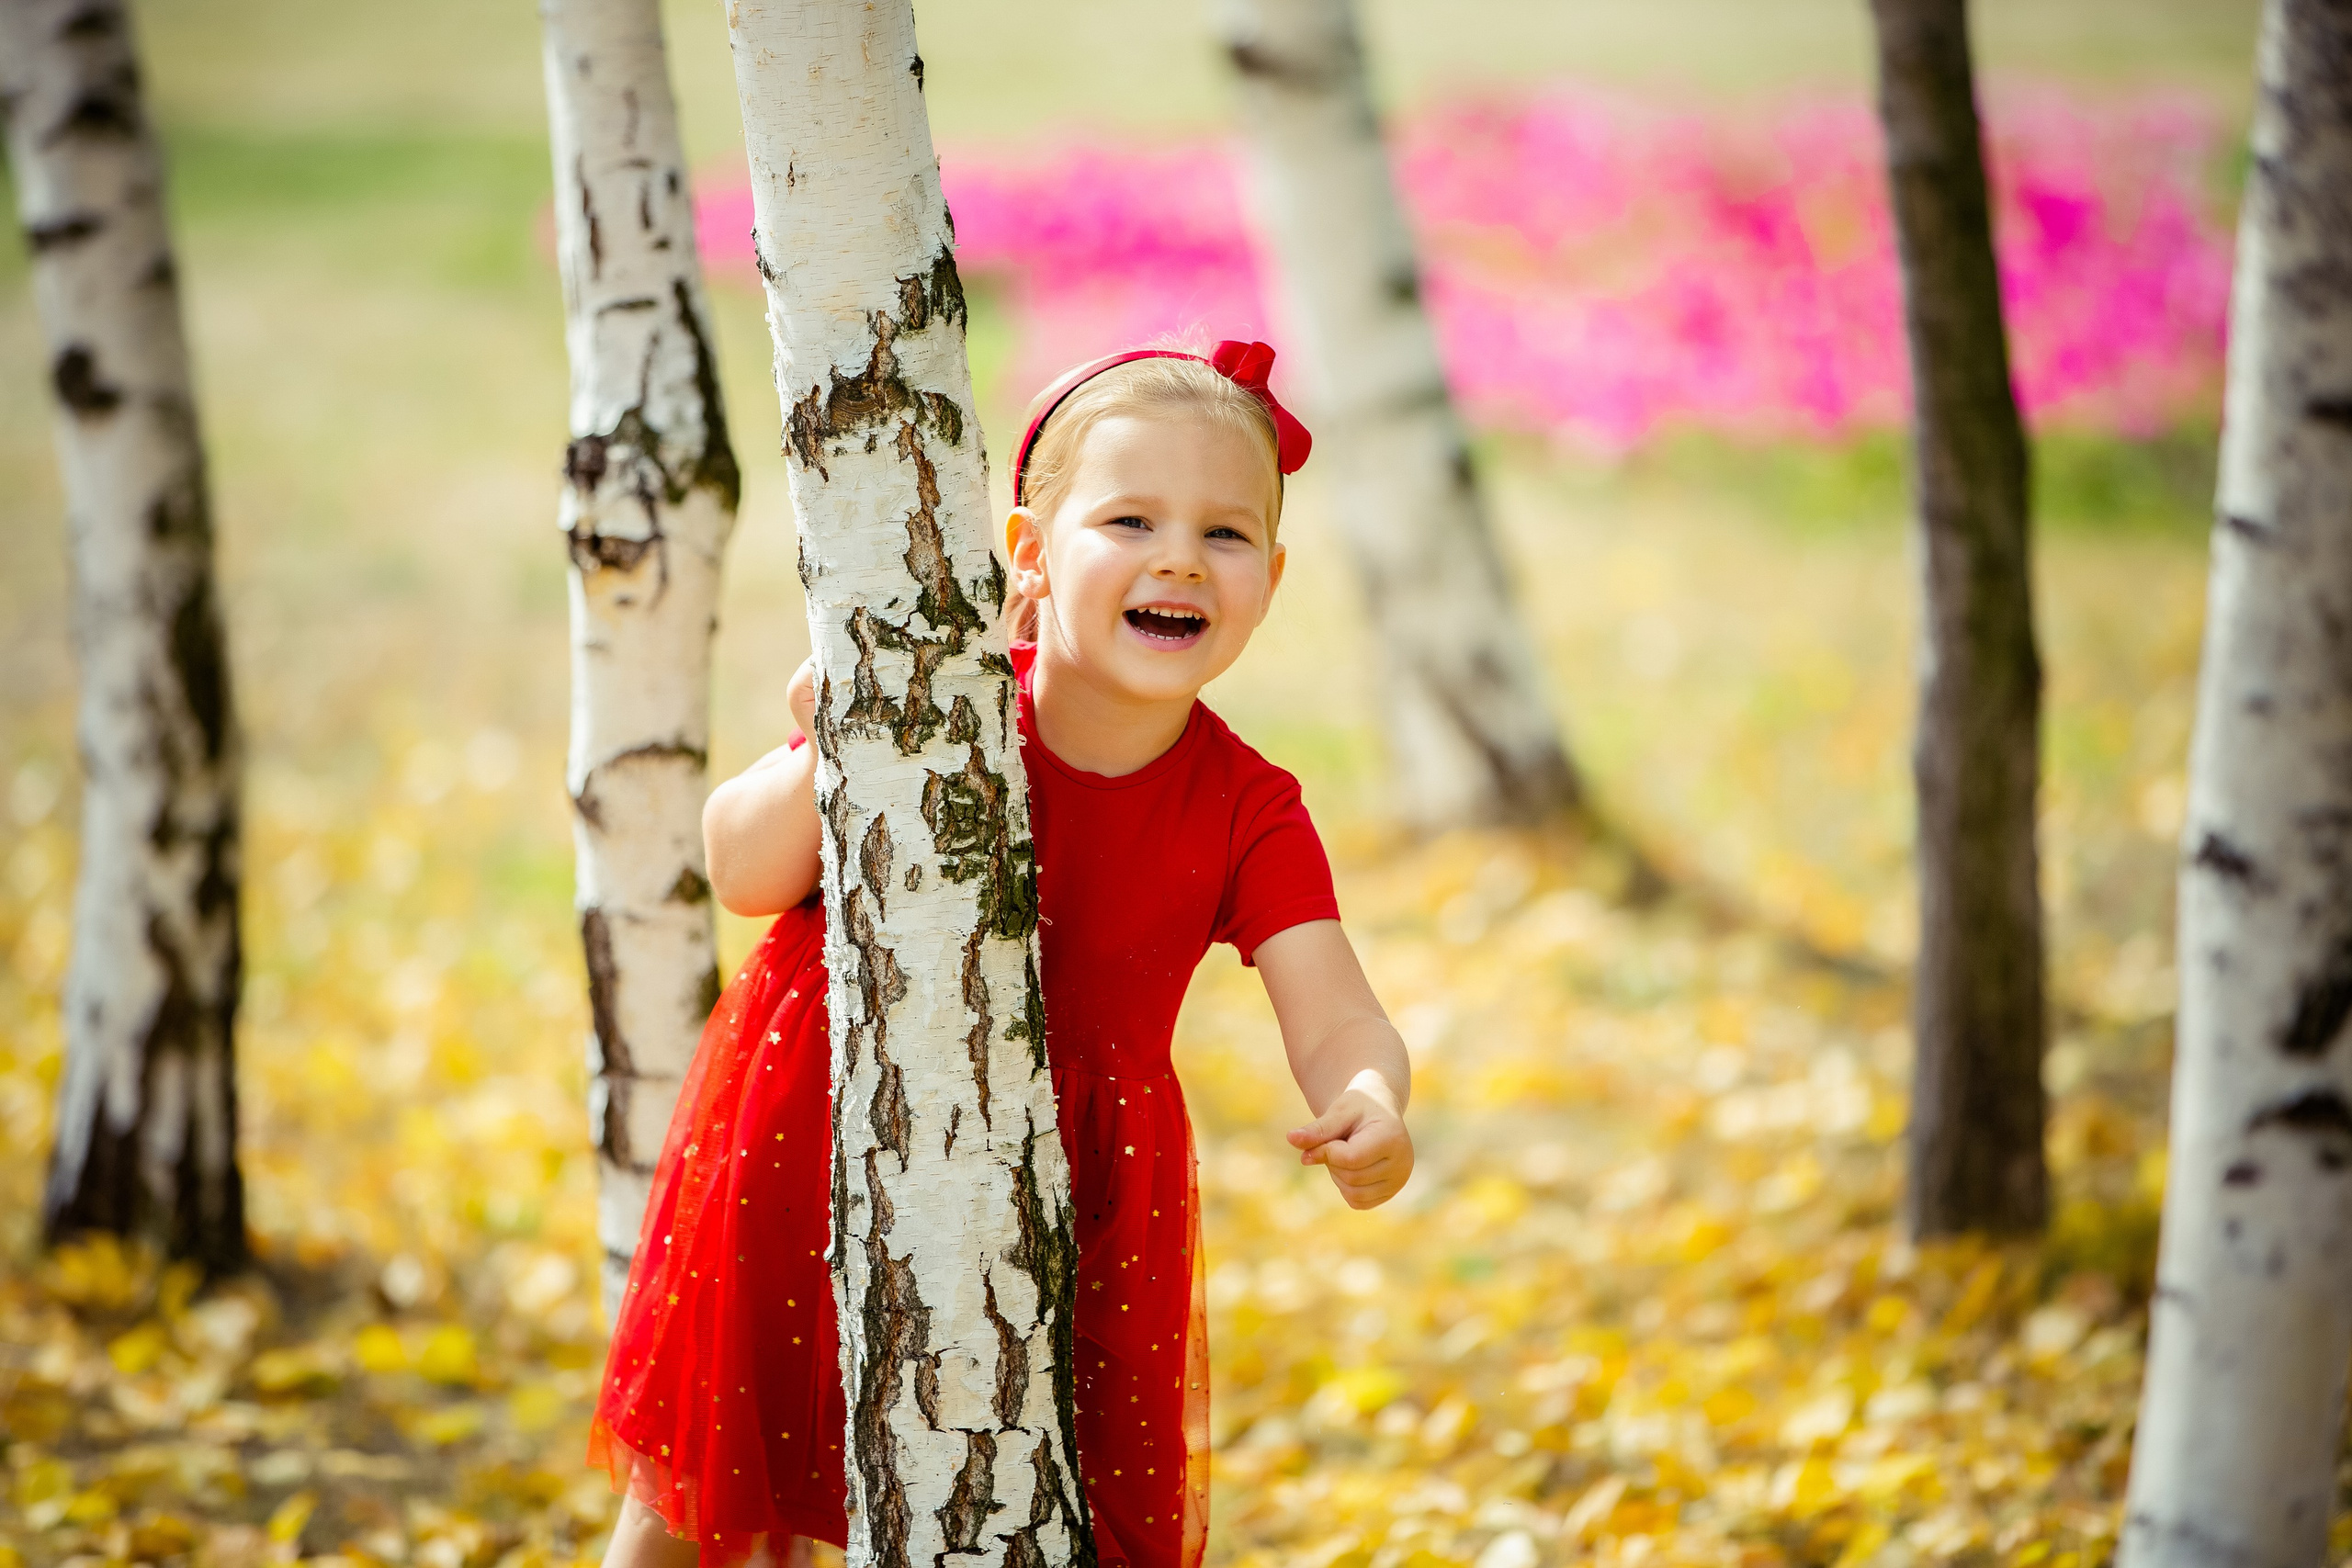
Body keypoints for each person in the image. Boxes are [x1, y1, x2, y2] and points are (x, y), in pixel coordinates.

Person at [588, 341, 1416, 1568]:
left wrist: (1368, 1098)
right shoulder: (942, 705)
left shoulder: (1250, 807)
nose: (1179, 557)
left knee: (1011, 1500)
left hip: (1068, 1194)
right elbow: (743, 869)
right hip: (835, 1124)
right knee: (715, 1464)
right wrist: (838, 748)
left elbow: (1335, 1005)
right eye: (1130, 519)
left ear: (1272, 578)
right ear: (1030, 550)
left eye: (1224, 536)